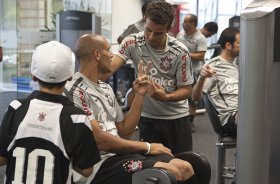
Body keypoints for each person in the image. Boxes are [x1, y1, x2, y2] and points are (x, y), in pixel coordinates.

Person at [64, 34, 197, 184]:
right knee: (170, 172)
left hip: (117, 156)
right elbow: (100, 140)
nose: (112, 55)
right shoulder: (74, 90)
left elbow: (125, 131)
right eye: (108, 50)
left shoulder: (105, 88)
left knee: (185, 167)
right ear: (97, 55)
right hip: (97, 165)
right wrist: (146, 147)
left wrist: (140, 94)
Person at [0, 41, 101, 183]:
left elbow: (2, 159)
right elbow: (86, 170)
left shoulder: (15, 108)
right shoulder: (76, 118)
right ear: (70, 76)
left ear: (33, 76)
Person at [107, 1, 194, 154]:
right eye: (148, 29)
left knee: (182, 166)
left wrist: (165, 97)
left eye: (158, 33)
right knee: (152, 172)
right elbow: (109, 68)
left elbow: (186, 90)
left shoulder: (180, 52)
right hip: (148, 119)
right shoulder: (132, 42)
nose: (151, 36)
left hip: (177, 119)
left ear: (168, 29)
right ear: (145, 19)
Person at [192, 27, 240, 139]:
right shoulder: (213, 66)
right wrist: (202, 78)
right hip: (229, 119)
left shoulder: (235, 66)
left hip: (242, 113)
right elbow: (195, 97)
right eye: (240, 43)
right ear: (228, 45)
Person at [176, 14, 207, 132]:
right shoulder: (180, 35)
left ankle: (190, 123)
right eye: (183, 21)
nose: (183, 24)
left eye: (186, 22)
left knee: (192, 99)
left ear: (193, 23)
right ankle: (179, 120)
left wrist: (185, 54)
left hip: (194, 71)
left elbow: (200, 56)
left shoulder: (200, 38)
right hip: (180, 69)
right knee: (179, 96)